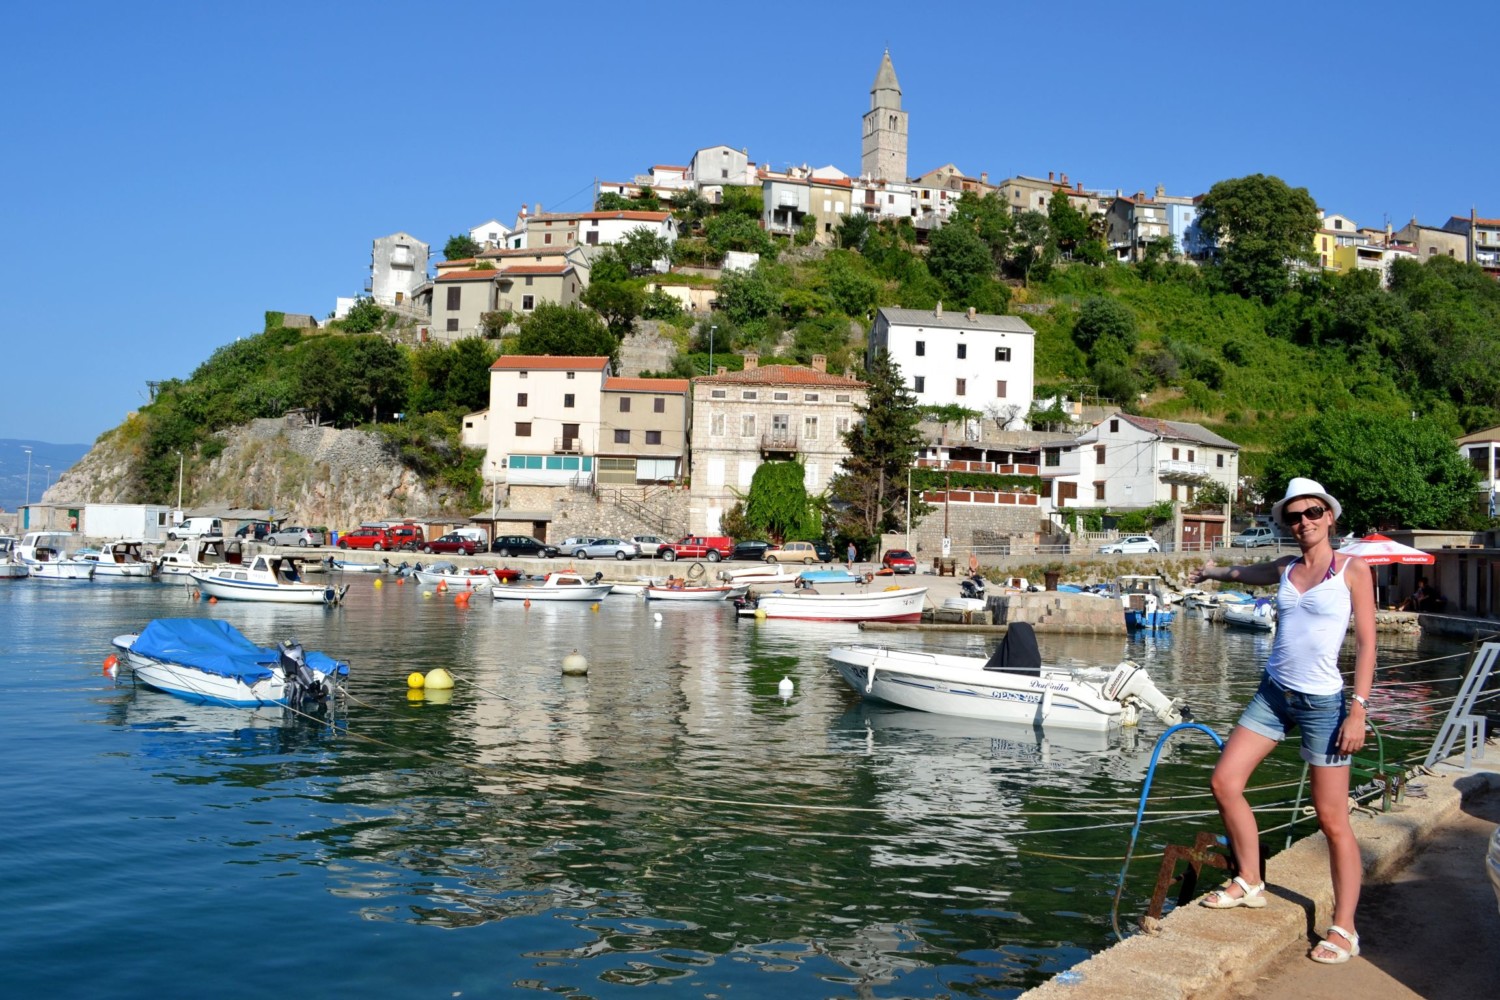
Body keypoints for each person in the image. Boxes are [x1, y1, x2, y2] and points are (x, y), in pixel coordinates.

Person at [1189, 477, 1375, 966]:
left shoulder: (1353, 570)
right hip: (1273, 694)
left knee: (1333, 820)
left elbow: (1370, 645)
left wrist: (1358, 710)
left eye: (1313, 513)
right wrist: (1213, 573)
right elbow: (1247, 572)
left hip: (1325, 704)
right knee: (1225, 782)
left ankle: (1346, 928)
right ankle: (1250, 880)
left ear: (1329, 516)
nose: (1304, 522)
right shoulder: (1286, 567)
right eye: (1295, 516)